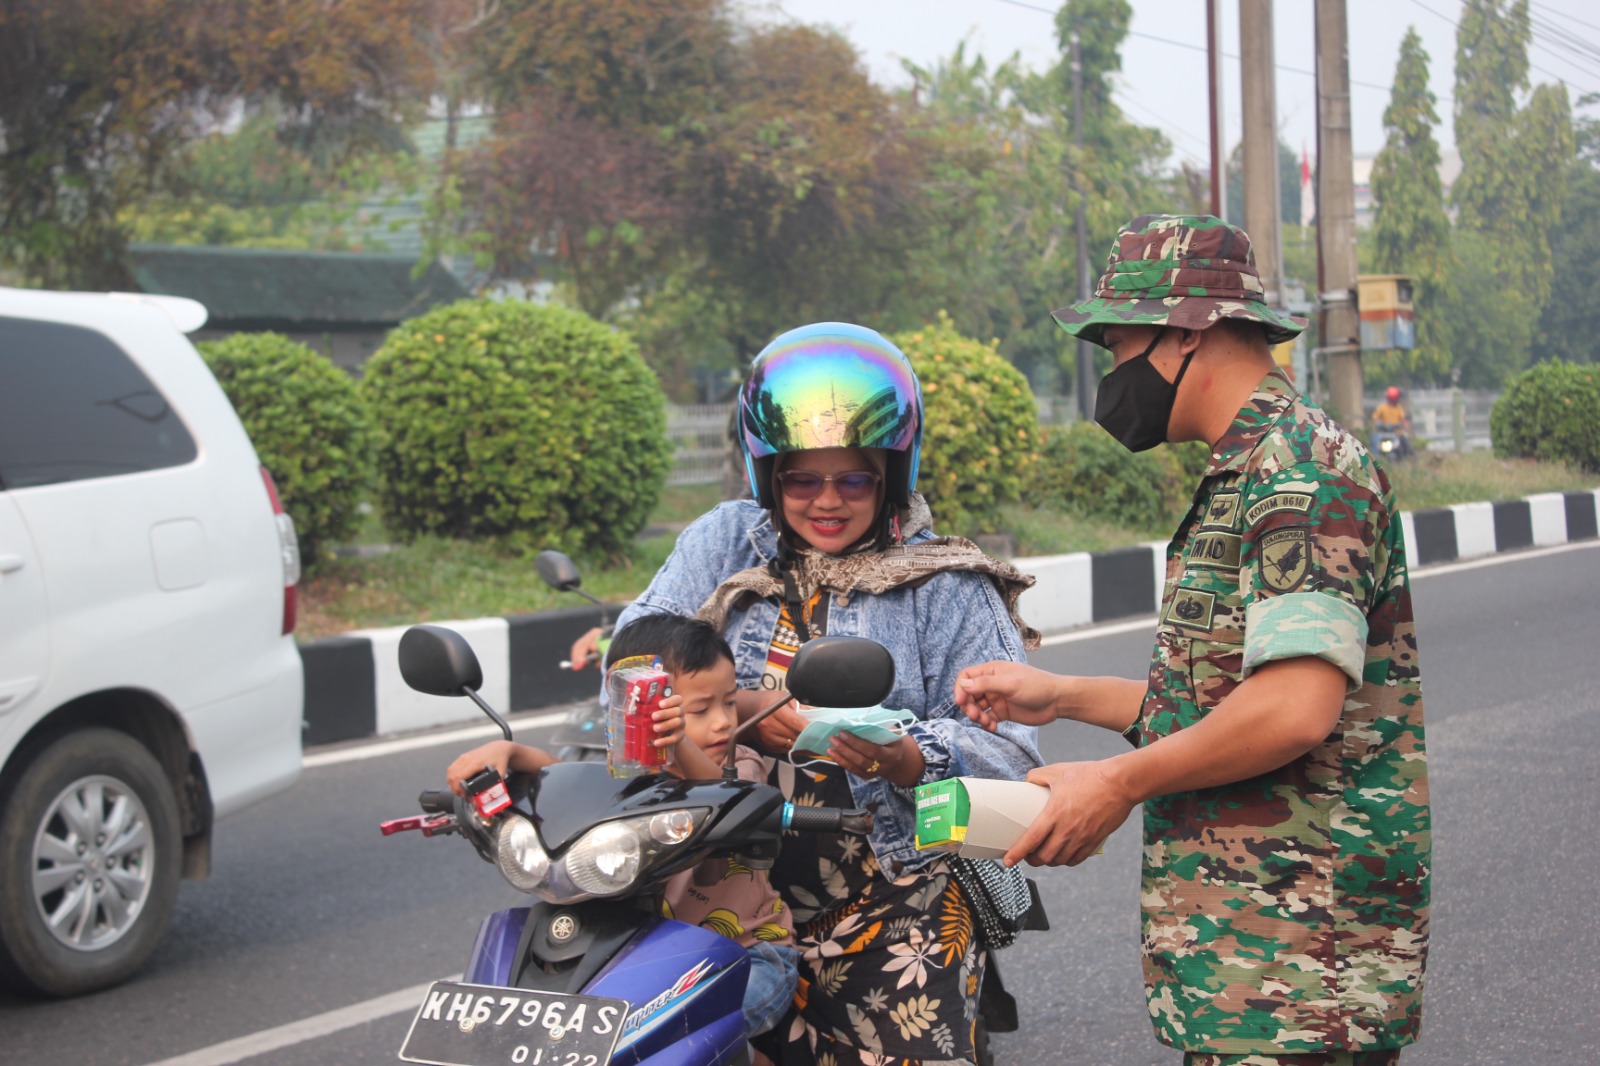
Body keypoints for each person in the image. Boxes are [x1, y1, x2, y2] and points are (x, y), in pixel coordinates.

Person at [954, 214, 1431, 1066]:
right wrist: (1058, 696)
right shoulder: (1244, 474)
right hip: (1248, 960)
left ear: (1185, 332)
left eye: (1119, 344)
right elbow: (1219, 707)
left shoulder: (1300, 474)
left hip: (1301, 964)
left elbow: (1290, 711)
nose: (1112, 374)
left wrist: (1116, 783)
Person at [603, 321, 1043, 1066]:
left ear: (892, 475)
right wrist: (729, 712)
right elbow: (636, 655)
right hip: (722, 887)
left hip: (895, 900)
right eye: (802, 478)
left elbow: (1011, 758)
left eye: (854, 479)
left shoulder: (948, 585)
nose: (826, 501)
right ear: (767, 475)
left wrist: (904, 757)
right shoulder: (723, 542)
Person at [445, 614, 799, 1057]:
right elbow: (562, 777)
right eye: (698, 710)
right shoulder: (623, 771)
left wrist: (680, 745)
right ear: (636, 706)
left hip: (744, 954)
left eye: (728, 703)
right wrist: (509, 752)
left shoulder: (739, 763)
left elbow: (730, 796)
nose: (723, 723)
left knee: (674, 1037)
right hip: (637, 961)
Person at [1371, 386, 1412, 459]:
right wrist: (1378, 423)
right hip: (1384, 432)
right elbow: (1375, 418)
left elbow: (1403, 419)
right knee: (1374, 438)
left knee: (1405, 438)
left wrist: (1405, 427)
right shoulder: (1382, 407)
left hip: (1396, 432)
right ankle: (1375, 458)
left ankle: (1407, 455)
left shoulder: (1399, 408)